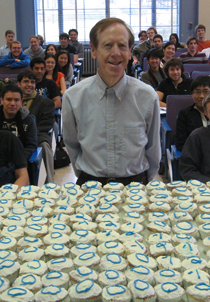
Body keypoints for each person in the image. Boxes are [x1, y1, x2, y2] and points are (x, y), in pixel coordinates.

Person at [62, 17, 161, 185]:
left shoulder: (147, 96)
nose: (116, 53)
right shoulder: (73, 97)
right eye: (108, 45)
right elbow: (72, 145)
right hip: (90, 184)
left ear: (130, 51)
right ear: (93, 50)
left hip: (135, 185)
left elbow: (153, 150)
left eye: (122, 46)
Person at [17, 70, 55, 183]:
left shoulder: (46, 102)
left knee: (44, 146)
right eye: (26, 82)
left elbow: (47, 123)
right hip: (14, 136)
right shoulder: (13, 100)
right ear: (18, 84)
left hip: (38, 135)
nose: (30, 85)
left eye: (32, 82)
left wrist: (29, 132)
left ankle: (50, 184)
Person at [0, 85, 38, 161]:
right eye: (9, 99)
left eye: (16, 100)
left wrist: (19, 160)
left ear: (21, 101)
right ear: (2, 100)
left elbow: (31, 145)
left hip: (19, 161)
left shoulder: (28, 120)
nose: (12, 103)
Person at [175, 76, 210, 151]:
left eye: (205, 91)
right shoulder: (184, 114)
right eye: (197, 92)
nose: (201, 96)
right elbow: (180, 143)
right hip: (196, 157)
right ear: (192, 94)